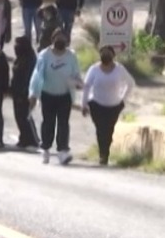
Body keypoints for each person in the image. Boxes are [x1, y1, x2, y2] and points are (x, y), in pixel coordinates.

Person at [28, 29, 82, 165]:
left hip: (65, 95)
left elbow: (76, 73)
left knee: (63, 123)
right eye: (58, 38)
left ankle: (62, 151)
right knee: (48, 122)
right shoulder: (44, 55)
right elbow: (37, 75)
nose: (60, 41)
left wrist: (79, 83)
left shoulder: (71, 56)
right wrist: (33, 94)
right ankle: (45, 148)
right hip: (47, 94)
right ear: (52, 40)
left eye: (63, 39)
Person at [82, 46, 135, 166]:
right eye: (103, 53)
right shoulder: (94, 69)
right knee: (101, 130)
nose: (106, 55)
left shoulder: (119, 69)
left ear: (113, 56)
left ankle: (105, 152)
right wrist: (84, 104)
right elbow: (86, 86)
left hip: (114, 105)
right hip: (96, 104)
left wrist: (123, 99)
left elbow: (130, 83)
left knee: (109, 131)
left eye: (108, 54)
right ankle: (103, 155)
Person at [10, 36, 40, 149]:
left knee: (25, 116)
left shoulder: (30, 59)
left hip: (25, 92)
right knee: (19, 116)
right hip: (16, 91)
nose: (16, 47)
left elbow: (28, 77)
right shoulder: (20, 58)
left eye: (18, 44)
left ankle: (32, 140)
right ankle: (24, 138)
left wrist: (24, 92)